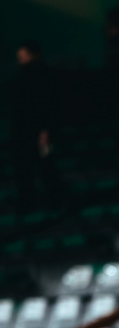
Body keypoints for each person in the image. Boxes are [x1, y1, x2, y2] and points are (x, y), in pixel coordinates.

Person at [10, 41, 62, 214]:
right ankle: (49, 200)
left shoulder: (35, 75)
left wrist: (45, 129)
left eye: (22, 54)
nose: (19, 57)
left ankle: (44, 201)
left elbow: (45, 103)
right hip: (30, 128)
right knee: (40, 165)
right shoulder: (33, 74)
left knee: (38, 166)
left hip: (32, 129)